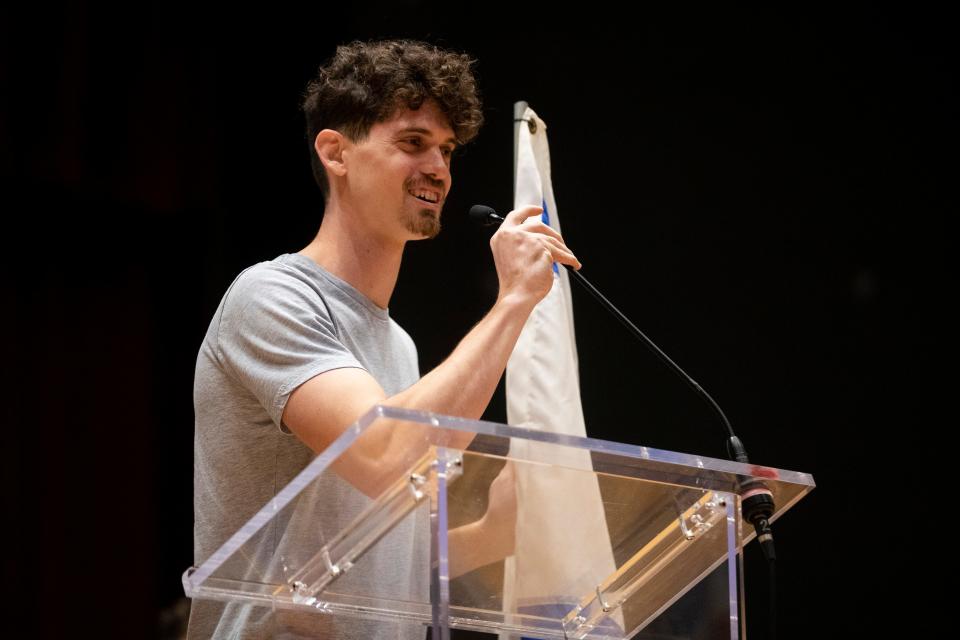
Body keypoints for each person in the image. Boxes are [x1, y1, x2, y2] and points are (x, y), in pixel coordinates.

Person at [187, 39, 580, 639]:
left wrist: (490, 536)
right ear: (335, 153)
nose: (440, 169)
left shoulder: (398, 347)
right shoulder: (271, 297)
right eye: (413, 143)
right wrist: (515, 301)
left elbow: (373, 561)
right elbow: (386, 457)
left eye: (447, 150)